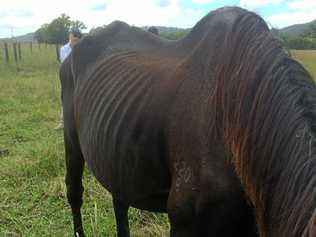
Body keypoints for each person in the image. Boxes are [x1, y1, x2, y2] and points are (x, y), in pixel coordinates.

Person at [54, 29, 82, 130]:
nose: (74, 42)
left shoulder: (81, 49)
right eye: (73, 39)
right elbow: (65, 62)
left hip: (78, 77)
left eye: (77, 40)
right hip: (67, 78)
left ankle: (79, 121)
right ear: (70, 37)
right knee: (65, 98)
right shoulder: (64, 49)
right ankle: (63, 122)